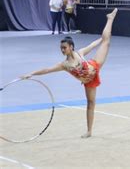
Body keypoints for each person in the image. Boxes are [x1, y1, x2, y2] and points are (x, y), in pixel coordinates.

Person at [20, 9, 118, 138]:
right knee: (90, 103)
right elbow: (47, 70)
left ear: (71, 47)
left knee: (107, 41)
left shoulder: (79, 53)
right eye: (61, 48)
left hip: (95, 65)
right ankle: (89, 131)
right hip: (89, 81)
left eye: (64, 47)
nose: (62, 50)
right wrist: (31, 73)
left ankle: (110, 18)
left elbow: (92, 45)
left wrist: (101, 39)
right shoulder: (64, 65)